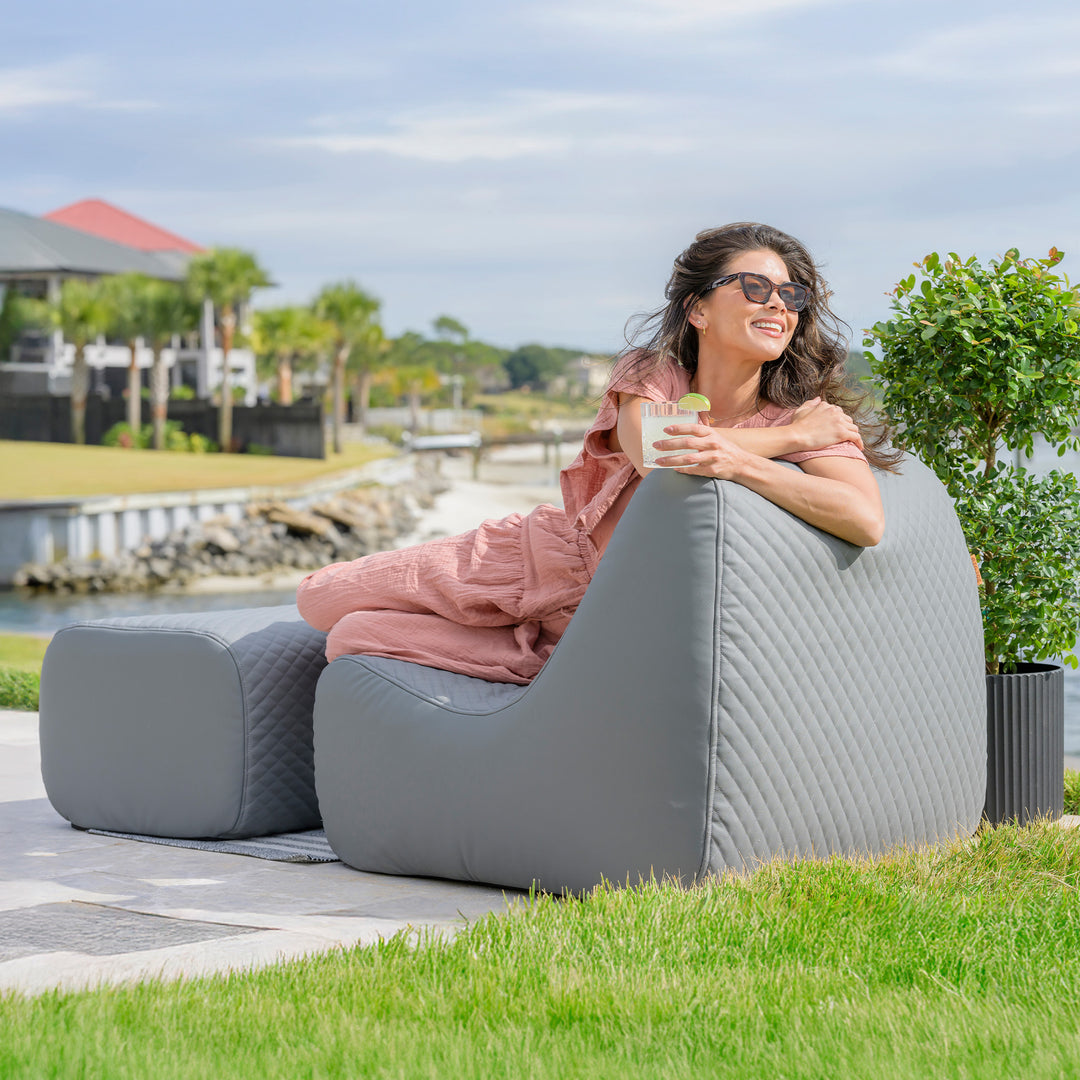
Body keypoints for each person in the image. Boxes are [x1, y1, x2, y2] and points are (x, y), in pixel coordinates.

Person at [297, 222, 901, 684]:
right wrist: (783, 445)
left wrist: (744, 458)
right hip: (544, 555)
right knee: (318, 598)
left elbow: (864, 518)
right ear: (698, 309)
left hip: (605, 616)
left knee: (354, 634)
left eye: (790, 295)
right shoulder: (656, 372)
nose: (778, 305)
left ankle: (535, 658)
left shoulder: (810, 412)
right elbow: (655, 452)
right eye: (754, 287)